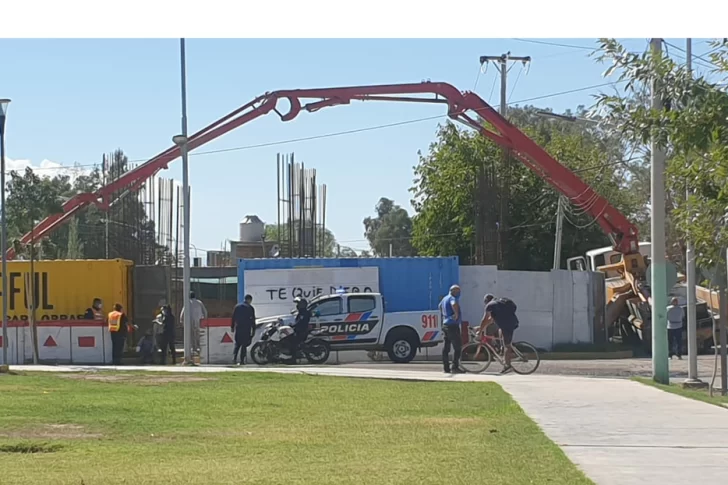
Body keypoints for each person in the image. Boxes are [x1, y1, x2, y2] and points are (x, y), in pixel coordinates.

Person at [481, 295, 519, 374]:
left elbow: (484, 319)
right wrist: (480, 328)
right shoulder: (498, 304)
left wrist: (479, 331)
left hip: (506, 325)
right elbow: (490, 320)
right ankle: (503, 349)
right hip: (511, 322)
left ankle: (507, 366)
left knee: (507, 345)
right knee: (501, 337)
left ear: (486, 301)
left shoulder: (489, 305)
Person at [439, 285, 464, 374]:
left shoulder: (444, 299)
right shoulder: (452, 298)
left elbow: (439, 307)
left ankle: (446, 367)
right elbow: (454, 304)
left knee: (446, 347)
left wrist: (445, 316)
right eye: (458, 291)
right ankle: (455, 366)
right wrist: (456, 314)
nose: (459, 293)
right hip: (452, 325)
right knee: (458, 347)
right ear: (454, 291)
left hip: (445, 324)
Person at [180, 291, 208, 358]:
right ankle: (199, 347)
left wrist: (181, 320)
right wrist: (205, 319)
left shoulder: (188, 303)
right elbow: (205, 312)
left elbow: (182, 313)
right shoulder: (199, 302)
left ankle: (194, 348)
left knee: (192, 335)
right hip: (199, 321)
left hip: (190, 321)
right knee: (199, 334)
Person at [231, 294, 256, 365]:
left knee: (237, 344)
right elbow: (253, 320)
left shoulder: (237, 307)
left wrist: (232, 327)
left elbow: (233, 318)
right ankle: (242, 360)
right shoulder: (250, 308)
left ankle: (234, 359)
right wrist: (253, 330)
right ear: (250, 300)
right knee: (244, 345)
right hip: (246, 328)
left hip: (239, 327)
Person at [284, 297, 311, 363]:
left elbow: (300, 322)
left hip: (302, 331)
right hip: (299, 330)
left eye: (298, 304)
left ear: (302, 305)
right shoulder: (301, 312)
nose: (297, 306)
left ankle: (293, 359)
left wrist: (293, 325)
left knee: (293, 342)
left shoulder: (304, 313)